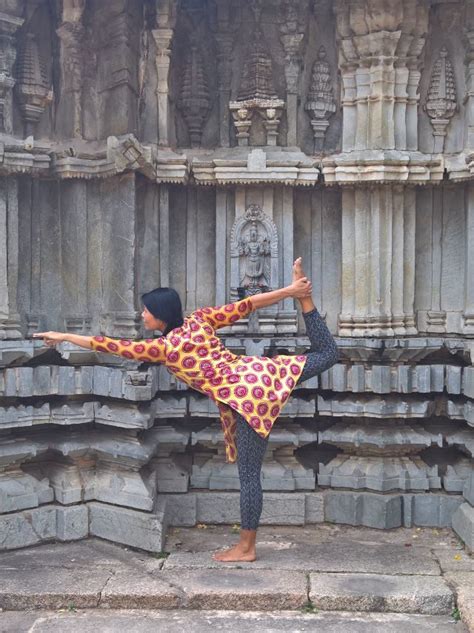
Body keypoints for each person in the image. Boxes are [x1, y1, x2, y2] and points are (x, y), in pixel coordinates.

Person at [33, 257, 338, 562]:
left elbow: (106, 344)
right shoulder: (200, 320)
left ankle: (246, 547)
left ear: (160, 317)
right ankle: (306, 299)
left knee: (248, 476)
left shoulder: (162, 349)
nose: (143, 314)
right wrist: (291, 291)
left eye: (147, 311)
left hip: (245, 400)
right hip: (261, 375)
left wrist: (63, 336)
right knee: (327, 353)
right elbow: (247, 306)